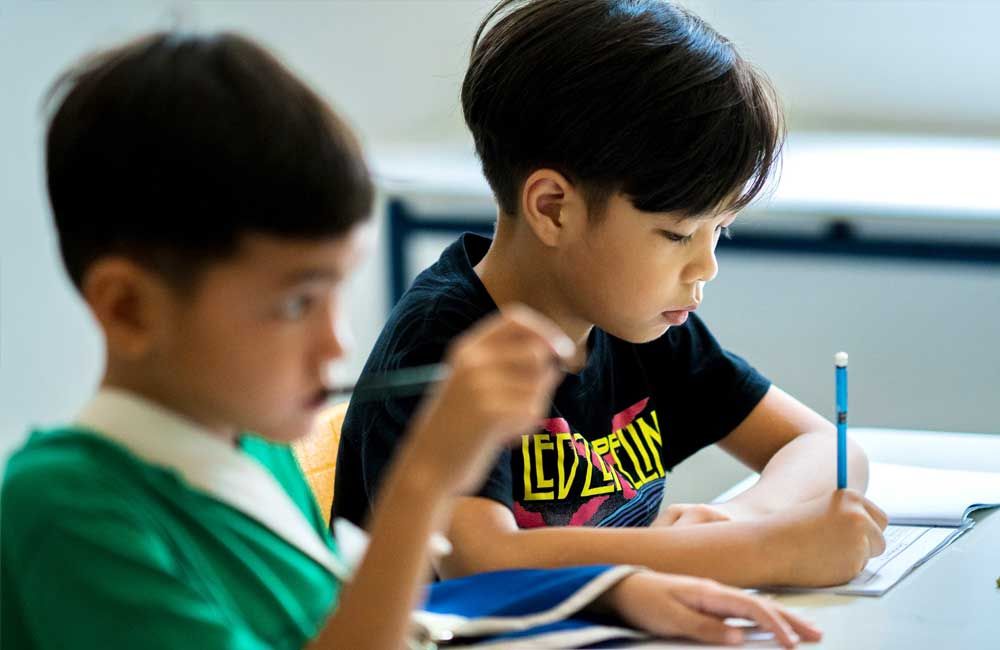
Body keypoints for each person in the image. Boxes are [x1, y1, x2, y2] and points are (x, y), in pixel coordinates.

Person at [1, 31, 821, 650]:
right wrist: (424, 484)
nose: (337, 345)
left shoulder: (252, 449)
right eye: (295, 304)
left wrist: (612, 588)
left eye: (337, 292)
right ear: (131, 309)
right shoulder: (67, 513)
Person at [333, 0, 888, 590]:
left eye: (719, 230)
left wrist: (740, 518)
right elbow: (479, 559)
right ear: (553, 208)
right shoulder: (449, 341)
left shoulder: (638, 324)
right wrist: (752, 550)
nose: (706, 265)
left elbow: (827, 447)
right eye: (677, 234)